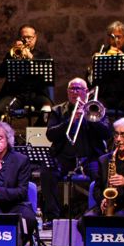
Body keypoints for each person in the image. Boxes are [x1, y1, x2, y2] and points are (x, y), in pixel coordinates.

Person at [43, 78, 111, 219]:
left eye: (78, 88)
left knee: (101, 175)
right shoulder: (57, 110)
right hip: (64, 158)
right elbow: (50, 135)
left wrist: (89, 118)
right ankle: (52, 217)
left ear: (86, 92)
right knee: (47, 173)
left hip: (90, 158)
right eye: (72, 89)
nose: (75, 92)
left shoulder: (97, 108)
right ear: (67, 92)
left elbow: (107, 133)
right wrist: (70, 121)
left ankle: (97, 213)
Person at [0, 23, 53, 120]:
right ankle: (8, 134)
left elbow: (44, 76)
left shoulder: (43, 55)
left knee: (48, 111)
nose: (27, 40)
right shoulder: (13, 54)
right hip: (16, 94)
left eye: (29, 37)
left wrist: (30, 56)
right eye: (23, 37)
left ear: (35, 37)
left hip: (37, 94)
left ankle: (35, 134)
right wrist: (10, 57)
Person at [91, 20, 124, 120]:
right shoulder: (100, 53)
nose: (116, 40)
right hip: (105, 96)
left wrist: (123, 60)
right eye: (113, 37)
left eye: (119, 37)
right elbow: (92, 80)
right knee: (95, 108)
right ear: (108, 38)